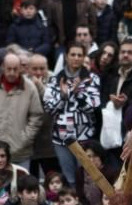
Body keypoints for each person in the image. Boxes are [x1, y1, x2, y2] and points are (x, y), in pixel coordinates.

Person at [43, 43, 102, 186]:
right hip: (61, 138)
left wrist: (78, 94)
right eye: (73, 55)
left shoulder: (92, 79)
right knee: (69, 179)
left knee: (86, 176)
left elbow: (94, 107)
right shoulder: (54, 80)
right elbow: (49, 109)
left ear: (84, 58)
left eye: (79, 55)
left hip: (84, 137)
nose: (76, 58)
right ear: (66, 57)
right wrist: (63, 97)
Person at [0, 53, 44, 171]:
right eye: (9, 69)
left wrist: (25, 138)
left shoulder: (29, 88)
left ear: (20, 68)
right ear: (2, 67)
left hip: (20, 151)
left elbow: (36, 116)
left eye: (15, 69)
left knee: (20, 187)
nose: (12, 73)